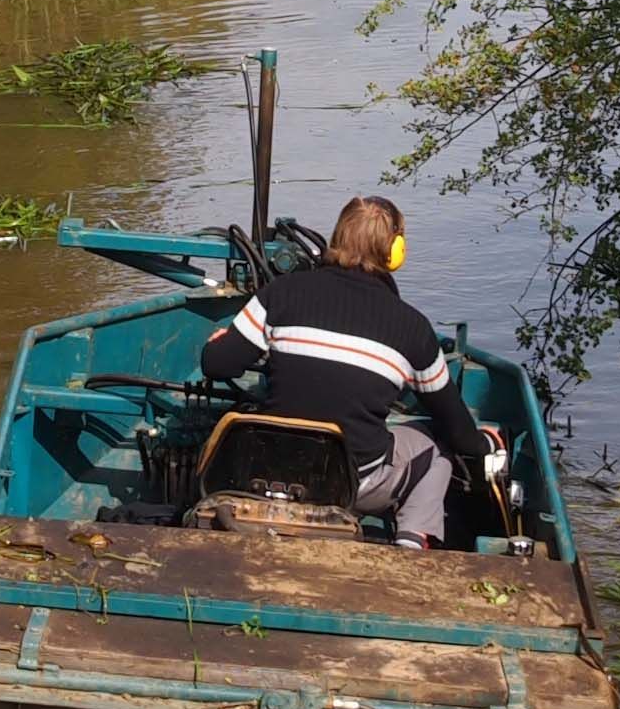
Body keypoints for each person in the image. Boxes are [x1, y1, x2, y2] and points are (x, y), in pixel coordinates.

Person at [197, 195, 498, 550]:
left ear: (336, 238)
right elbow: (458, 430)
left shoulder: (280, 293)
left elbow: (216, 365)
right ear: (395, 252)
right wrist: (486, 443)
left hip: (267, 474)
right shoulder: (412, 329)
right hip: (354, 486)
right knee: (437, 450)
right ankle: (409, 547)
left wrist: (222, 342)